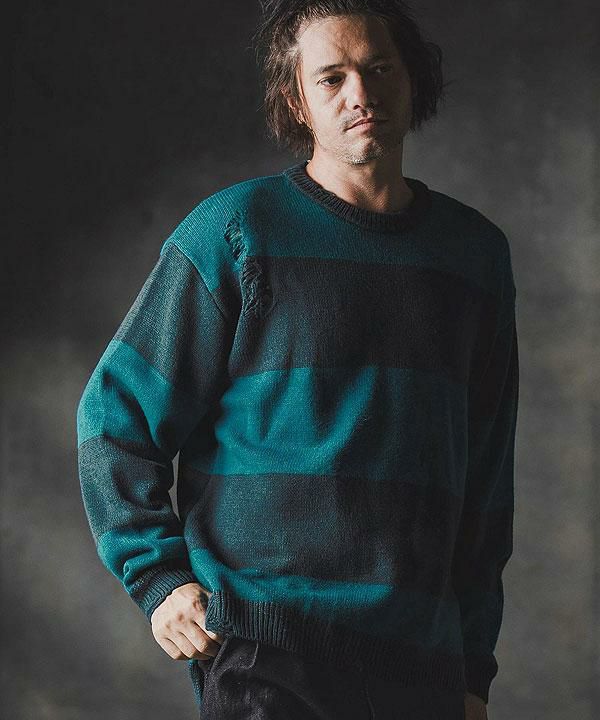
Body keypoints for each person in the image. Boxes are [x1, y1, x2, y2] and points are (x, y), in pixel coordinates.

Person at [76, 1, 519, 718]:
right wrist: (159, 578)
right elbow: (114, 417)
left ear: (412, 79)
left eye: (380, 69)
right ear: (297, 101)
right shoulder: (235, 233)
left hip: (422, 662)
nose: (361, 94)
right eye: (332, 77)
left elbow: (486, 483)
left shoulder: (474, 257)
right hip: (268, 651)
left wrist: (472, 670)